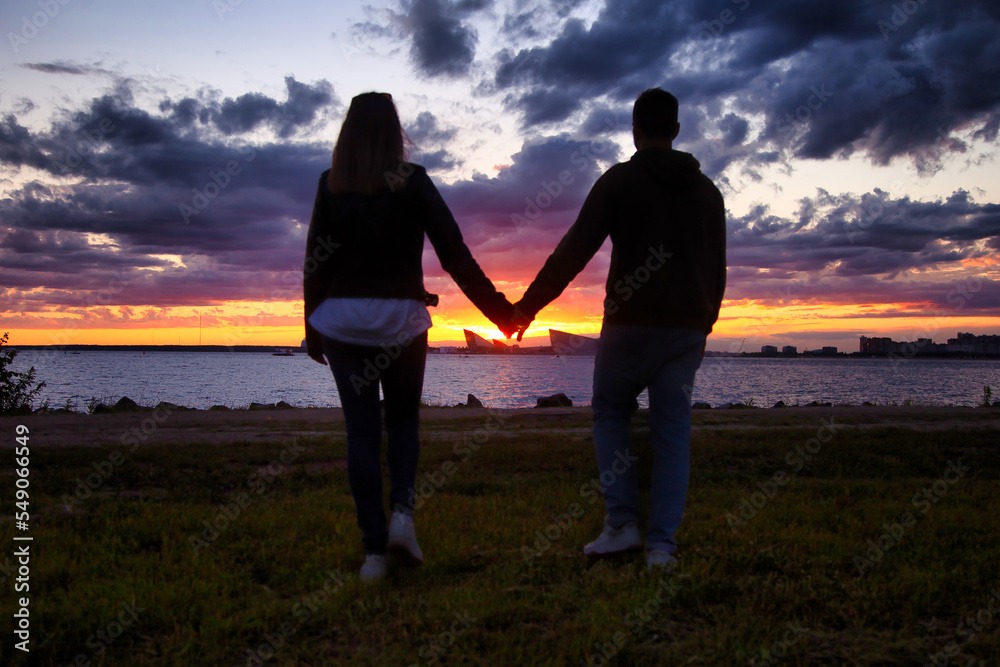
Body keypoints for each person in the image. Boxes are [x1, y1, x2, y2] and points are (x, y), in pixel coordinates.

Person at [511, 88, 727, 570]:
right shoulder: (708, 192)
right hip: (685, 329)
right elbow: (719, 269)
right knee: (672, 428)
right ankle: (662, 547)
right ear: (675, 130)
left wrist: (525, 308)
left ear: (634, 129)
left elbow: (573, 251)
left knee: (610, 411)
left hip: (629, 323)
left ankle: (623, 524)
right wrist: (703, 322)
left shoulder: (619, 182)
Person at [303, 92, 514, 581]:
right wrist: (499, 312)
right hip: (401, 318)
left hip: (341, 320)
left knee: (360, 432)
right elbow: (454, 254)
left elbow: (315, 261)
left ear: (348, 133)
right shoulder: (411, 180)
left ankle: (374, 554)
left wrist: (311, 327)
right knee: (400, 423)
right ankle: (402, 518)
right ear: (395, 133)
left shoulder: (331, 184)